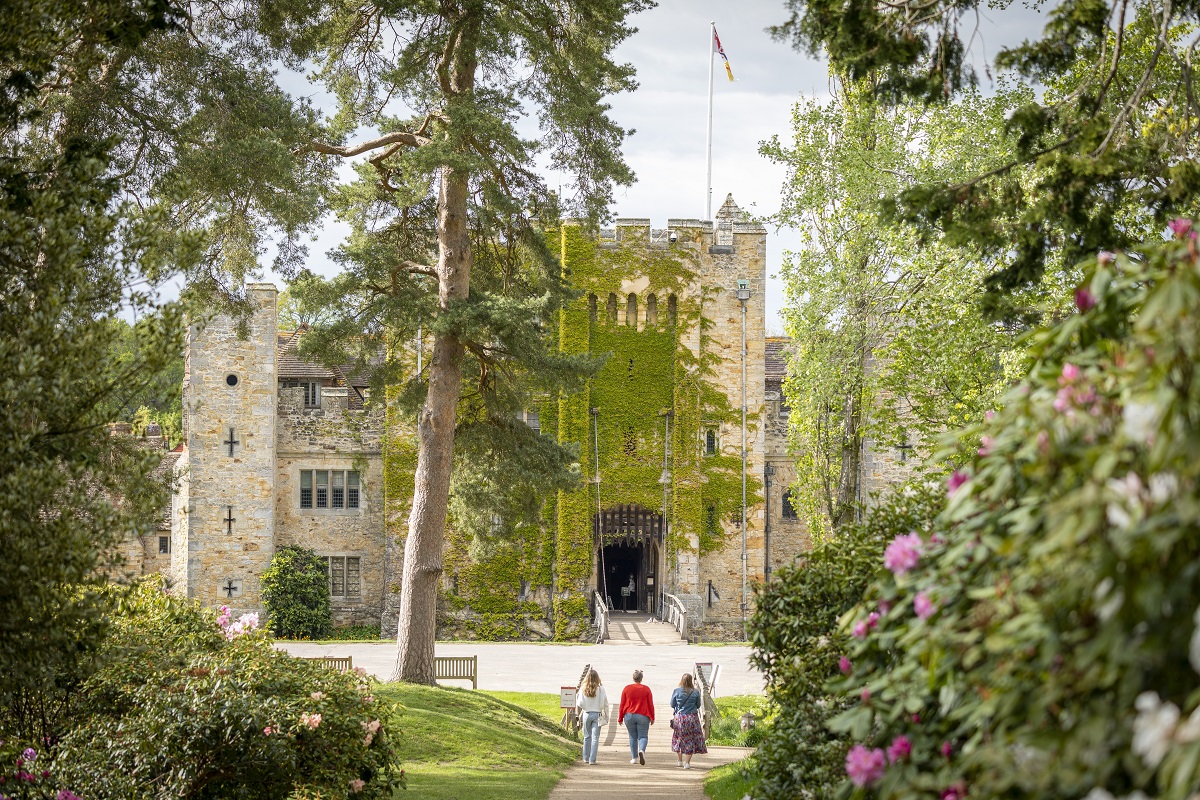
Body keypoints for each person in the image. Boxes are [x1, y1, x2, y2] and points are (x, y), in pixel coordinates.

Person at [670, 673, 708, 768]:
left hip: (680, 718)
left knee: (679, 738)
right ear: (691, 681)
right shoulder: (695, 692)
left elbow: (672, 704)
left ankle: (679, 761)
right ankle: (687, 763)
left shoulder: (676, 691)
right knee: (690, 739)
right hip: (692, 718)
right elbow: (698, 705)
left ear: (682, 680)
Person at [618, 669, 654, 765]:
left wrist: (620, 718)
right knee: (643, 736)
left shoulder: (627, 688)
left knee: (632, 736)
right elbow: (650, 704)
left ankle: (634, 758)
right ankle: (642, 750)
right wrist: (652, 717)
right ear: (641, 678)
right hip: (643, 715)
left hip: (629, 715)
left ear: (633, 678)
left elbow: (622, 704)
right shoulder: (646, 689)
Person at [575, 669, 608, 765]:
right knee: (595, 738)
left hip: (586, 713)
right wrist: (607, 716)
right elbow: (605, 704)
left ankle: (585, 757)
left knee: (587, 737)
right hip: (597, 714)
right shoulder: (601, 689)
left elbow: (579, 703)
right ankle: (592, 759)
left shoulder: (583, 689)